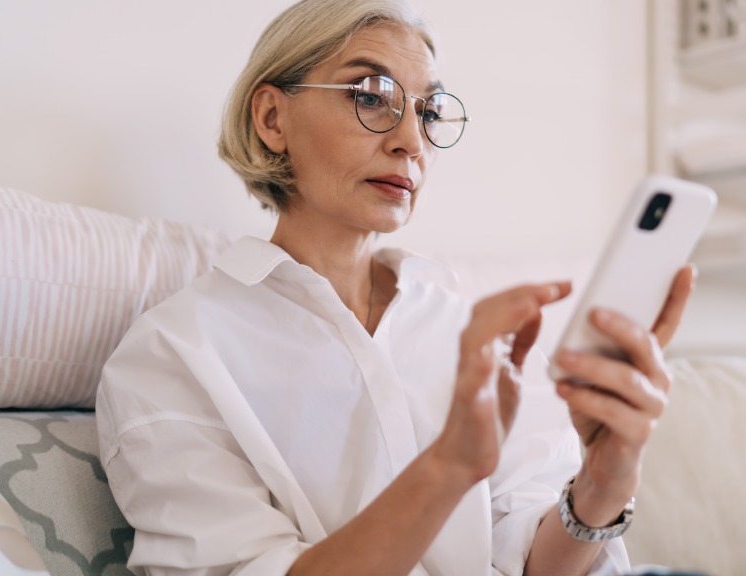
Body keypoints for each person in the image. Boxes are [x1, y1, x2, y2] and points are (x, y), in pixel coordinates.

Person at [95, 0, 695, 574]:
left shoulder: (468, 329)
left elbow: (537, 561)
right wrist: (448, 467)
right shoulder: (173, 355)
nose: (411, 140)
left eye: (428, 112)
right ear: (273, 119)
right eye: (372, 97)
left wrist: (601, 488)